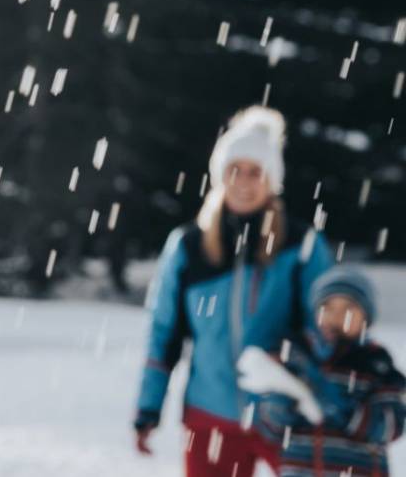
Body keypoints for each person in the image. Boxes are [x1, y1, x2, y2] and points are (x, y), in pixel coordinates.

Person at [134, 105, 334, 476]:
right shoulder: (187, 246)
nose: (243, 181)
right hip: (210, 414)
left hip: (285, 414)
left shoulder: (301, 245)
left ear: (271, 179)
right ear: (219, 175)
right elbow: (164, 332)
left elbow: (325, 326)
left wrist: (292, 359)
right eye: (234, 170)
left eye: (255, 172)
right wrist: (148, 408)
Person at [238, 264, 406, 476]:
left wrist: (344, 411)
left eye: (348, 309)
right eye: (328, 308)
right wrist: (278, 409)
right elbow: (272, 431)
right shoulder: (298, 358)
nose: (337, 317)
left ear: (366, 316)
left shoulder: (375, 364)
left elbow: (391, 427)